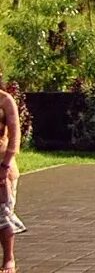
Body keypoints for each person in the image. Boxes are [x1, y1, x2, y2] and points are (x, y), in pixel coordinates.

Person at [1, 74, 23, 273]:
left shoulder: (5, 100)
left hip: (2, 168)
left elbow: (15, 137)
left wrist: (5, 165)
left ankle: (9, 259)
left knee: (3, 215)